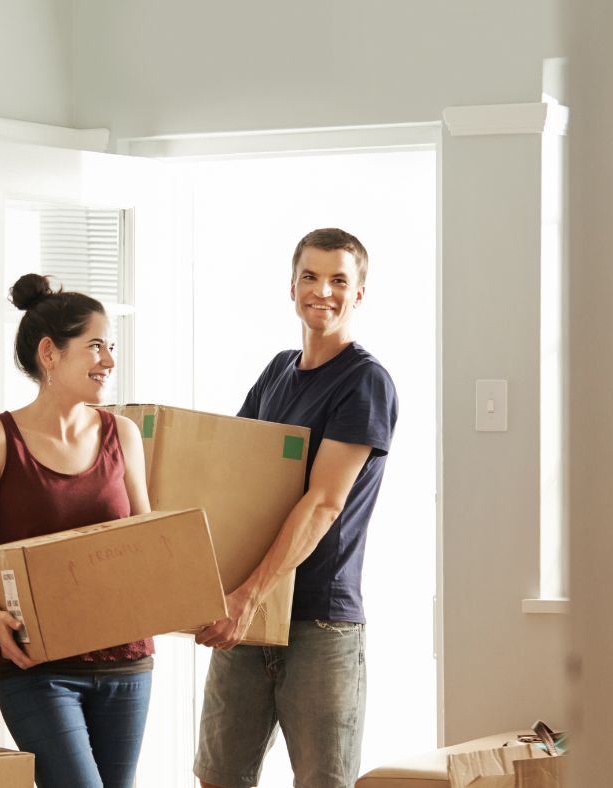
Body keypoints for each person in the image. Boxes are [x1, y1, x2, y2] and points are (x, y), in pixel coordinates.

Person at [193, 228, 399, 788]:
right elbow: (235, 480)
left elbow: (324, 504)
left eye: (339, 280)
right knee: (217, 777)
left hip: (318, 620)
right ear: (291, 286)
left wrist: (246, 596)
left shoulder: (365, 382)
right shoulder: (278, 371)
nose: (322, 292)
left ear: (359, 293)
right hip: (247, 615)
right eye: (310, 277)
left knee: (321, 783)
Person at [0, 273, 154, 788]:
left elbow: (149, 544)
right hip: (37, 666)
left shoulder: (122, 434)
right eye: (96, 347)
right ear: (50, 353)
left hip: (126, 663)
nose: (108, 361)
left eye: (111, 348)